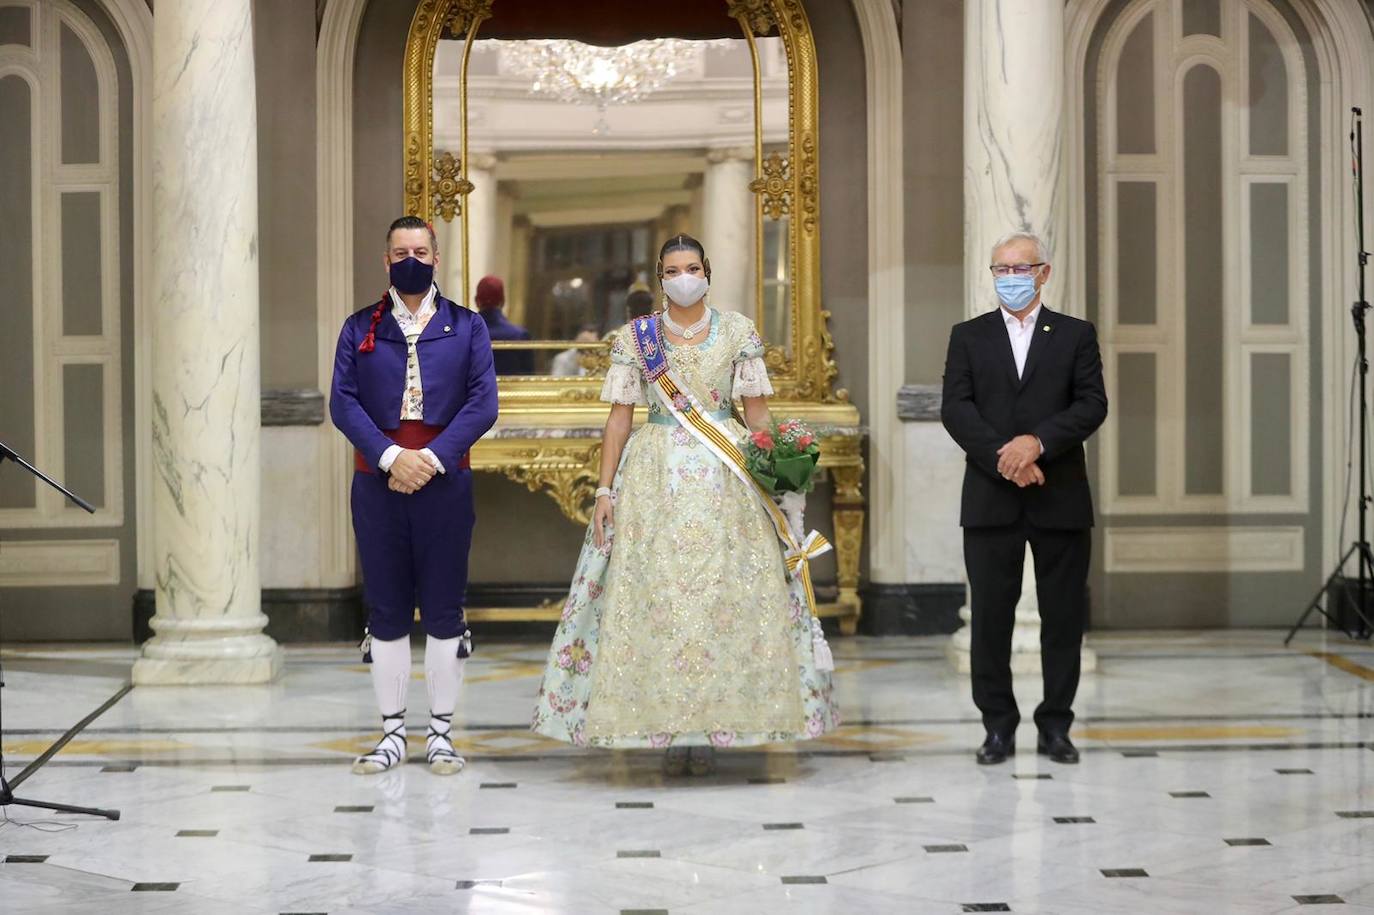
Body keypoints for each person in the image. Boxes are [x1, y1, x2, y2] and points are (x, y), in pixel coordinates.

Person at [531, 233, 838, 776]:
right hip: (654, 479)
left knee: (728, 597)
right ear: (659, 276)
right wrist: (605, 490)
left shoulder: (738, 332)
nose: (682, 277)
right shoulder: (636, 339)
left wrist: (780, 476)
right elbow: (620, 418)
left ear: (708, 270)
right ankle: (663, 723)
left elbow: (758, 415)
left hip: (728, 477)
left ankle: (728, 717)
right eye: (672, 270)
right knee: (659, 597)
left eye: (691, 267)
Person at [329, 215, 499, 776]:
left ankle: (443, 736)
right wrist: (389, 458)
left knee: (445, 610)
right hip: (377, 483)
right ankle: (393, 734)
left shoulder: (467, 327)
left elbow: (482, 404)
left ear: (436, 256)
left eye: (420, 251)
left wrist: (426, 459)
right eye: (400, 251)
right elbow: (343, 403)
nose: (411, 259)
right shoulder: (358, 328)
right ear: (386, 260)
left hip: (444, 481)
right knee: (387, 610)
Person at [940, 231, 1107, 766]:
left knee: (1062, 619)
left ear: (1043, 272)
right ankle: (998, 727)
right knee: (991, 620)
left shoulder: (1076, 335)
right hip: (991, 496)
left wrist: (1037, 444)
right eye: (1000, 270)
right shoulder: (968, 336)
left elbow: (1092, 404)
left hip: (1059, 494)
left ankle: (1056, 726)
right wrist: (1004, 456)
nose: (1010, 278)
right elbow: (956, 408)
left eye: (1020, 268)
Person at [474, 275, 534, 376]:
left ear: (477, 301)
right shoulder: (521, 336)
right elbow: (528, 381)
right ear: (503, 301)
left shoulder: (463, 335)